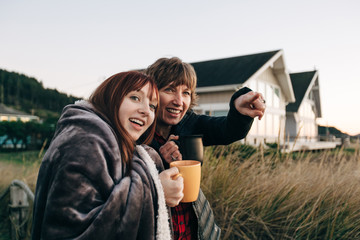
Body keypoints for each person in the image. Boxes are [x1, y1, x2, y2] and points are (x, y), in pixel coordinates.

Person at [31, 71, 183, 240]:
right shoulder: (85, 141)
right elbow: (73, 232)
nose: (146, 111)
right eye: (135, 98)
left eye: (153, 106)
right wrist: (156, 190)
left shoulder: (111, 141)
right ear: (111, 98)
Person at [145, 57, 266, 240]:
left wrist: (239, 110)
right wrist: (160, 161)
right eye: (170, 89)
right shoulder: (135, 132)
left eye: (186, 92)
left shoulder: (190, 123)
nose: (179, 101)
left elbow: (227, 130)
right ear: (152, 93)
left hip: (193, 230)